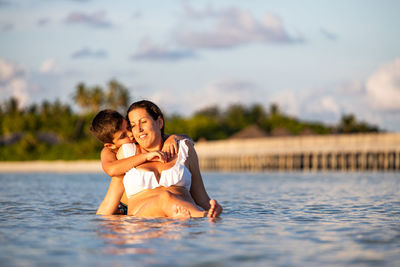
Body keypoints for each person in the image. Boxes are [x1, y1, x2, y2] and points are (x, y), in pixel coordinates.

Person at [123, 100, 222, 218]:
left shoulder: (185, 148)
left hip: (182, 219)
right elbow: (107, 156)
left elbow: (201, 198)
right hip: (141, 223)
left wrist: (214, 209)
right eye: (133, 125)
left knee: (167, 198)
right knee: (165, 197)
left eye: (143, 122)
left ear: (159, 122)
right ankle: (201, 215)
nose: (139, 129)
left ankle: (203, 215)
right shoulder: (126, 152)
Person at [90, 109, 185, 215]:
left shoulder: (142, 139)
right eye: (123, 136)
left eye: (129, 127)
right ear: (110, 145)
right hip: (123, 206)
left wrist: (173, 138)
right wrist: (145, 157)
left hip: (148, 201)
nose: (130, 134)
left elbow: (186, 139)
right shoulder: (108, 151)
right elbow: (111, 169)